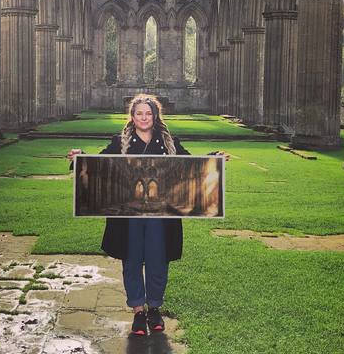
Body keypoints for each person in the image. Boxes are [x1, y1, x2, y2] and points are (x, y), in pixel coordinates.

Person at [67, 94, 228, 337]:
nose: (144, 118)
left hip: (161, 216)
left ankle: (154, 308)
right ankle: (138, 311)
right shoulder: (120, 142)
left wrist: (214, 158)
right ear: (132, 117)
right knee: (131, 260)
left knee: (157, 259)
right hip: (128, 216)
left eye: (148, 113)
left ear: (155, 116)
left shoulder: (169, 142)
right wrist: (79, 157)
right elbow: (100, 165)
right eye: (139, 113)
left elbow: (191, 166)